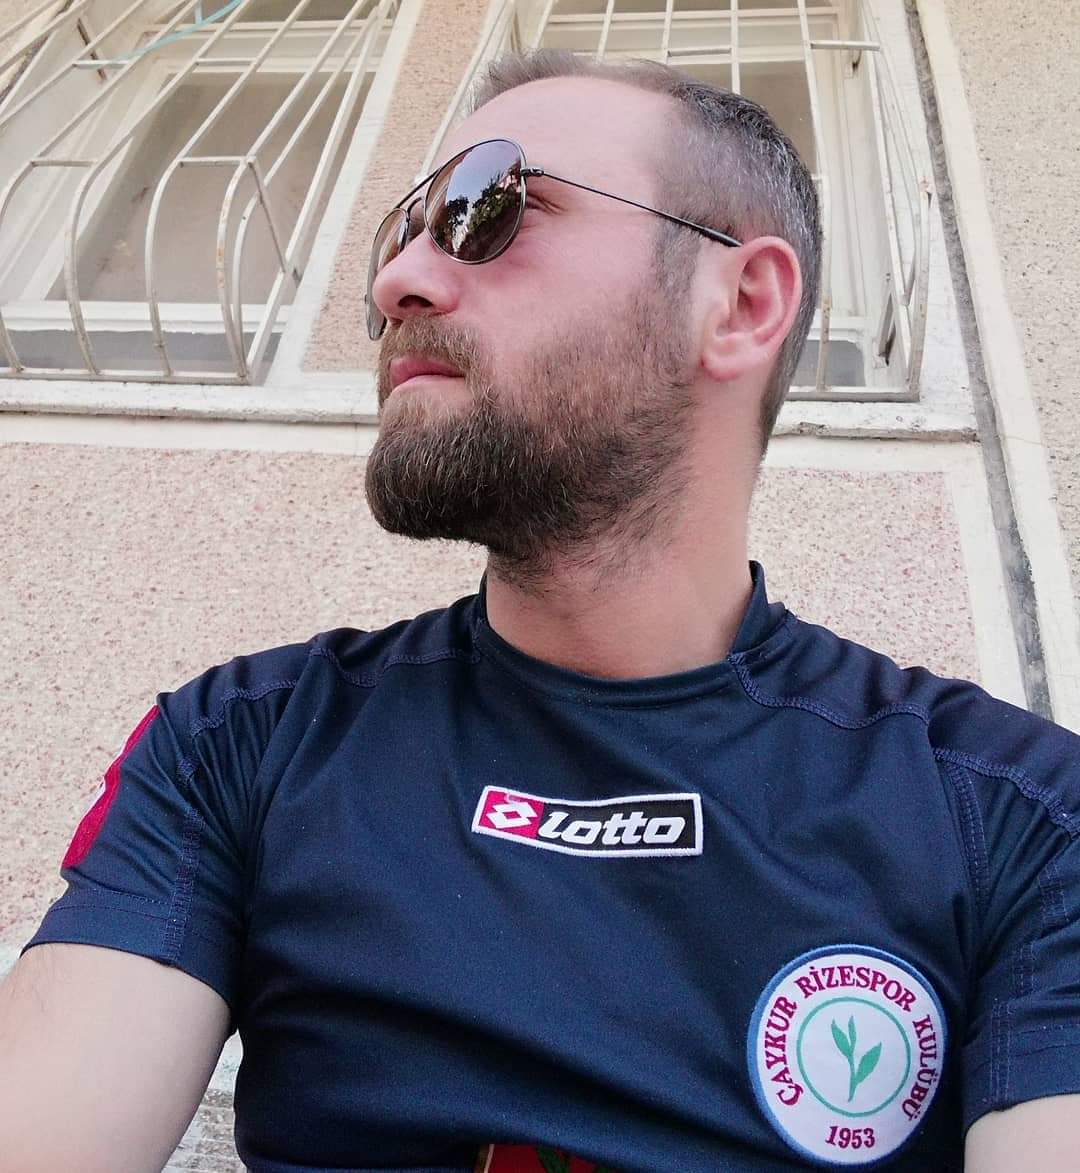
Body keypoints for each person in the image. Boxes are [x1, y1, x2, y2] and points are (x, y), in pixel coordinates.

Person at [2, 46, 1078, 1173]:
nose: (398, 280)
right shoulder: (241, 745)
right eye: (401, 232)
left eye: (491, 206)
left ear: (740, 303)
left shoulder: (1019, 820)